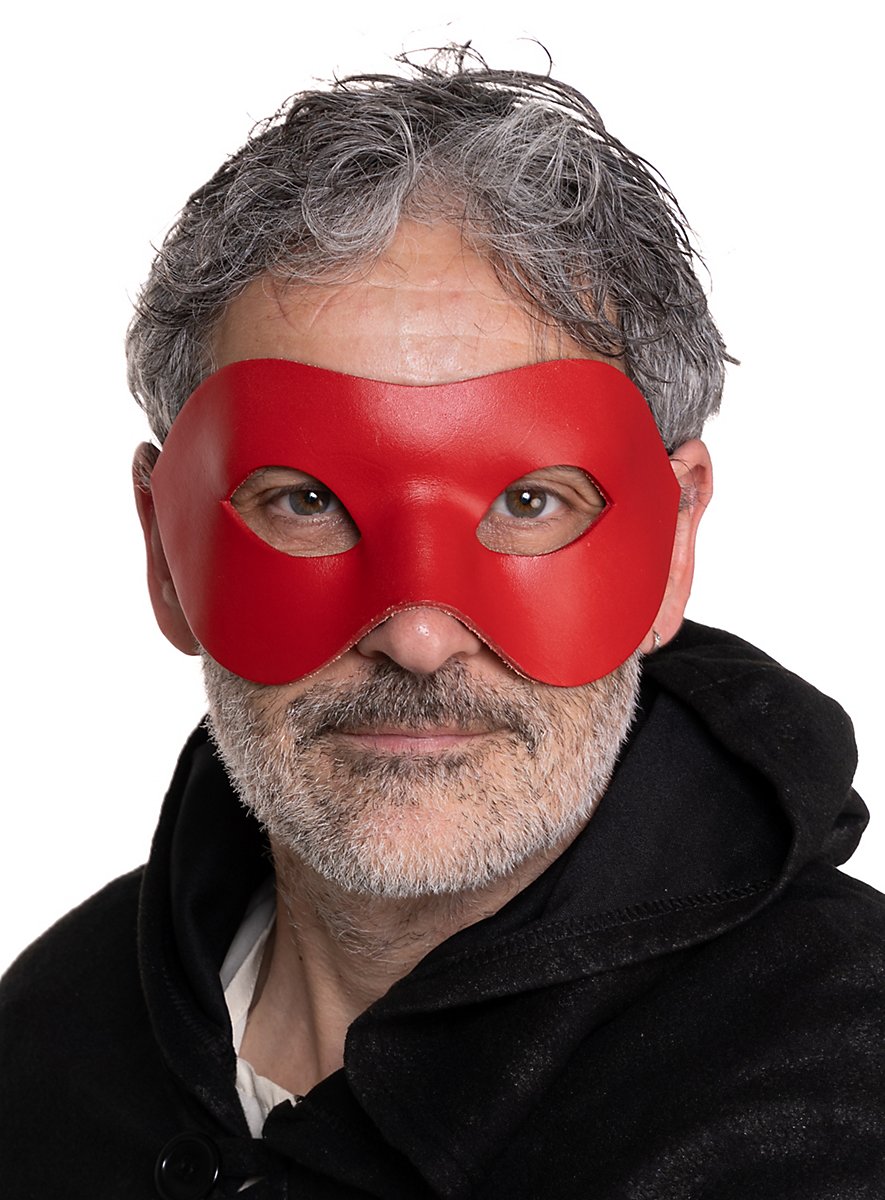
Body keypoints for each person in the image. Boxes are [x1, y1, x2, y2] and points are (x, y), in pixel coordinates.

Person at [2, 49, 883, 1199]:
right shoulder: (49, 1046)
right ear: (164, 554)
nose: (418, 639)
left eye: (531, 502)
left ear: (672, 547)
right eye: (304, 501)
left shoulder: (839, 1104)